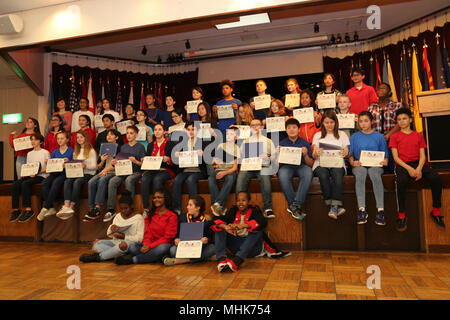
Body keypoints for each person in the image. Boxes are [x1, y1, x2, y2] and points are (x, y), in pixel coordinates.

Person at [389, 108, 445, 231]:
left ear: (410, 120)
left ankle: (436, 212)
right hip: (403, 165)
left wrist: (419, 169)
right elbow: (396, 158)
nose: (402, 121)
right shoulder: (394, 137)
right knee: (401, 182)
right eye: (399, 119)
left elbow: (423, 156)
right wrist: (409, 169)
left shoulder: (418, 135)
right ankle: (401, 215)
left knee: (436, 178)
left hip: (418, 163)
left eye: (404, 118)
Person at [115, 188, 178, 265]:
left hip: (162, 245)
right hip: (150, 244)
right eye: (154, 198)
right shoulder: (149, 215)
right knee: (132, 247)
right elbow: (148, 234)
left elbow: (167, 238)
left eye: (159, 197)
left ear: (166, 199)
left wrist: (150, 247)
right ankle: (155, 257)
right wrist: (146, 244)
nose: (156, 199)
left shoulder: (172, 216)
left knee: (163, 248)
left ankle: (134, 260)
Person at [79, 191, 145, 263]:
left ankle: (99, 257)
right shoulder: (118, 216)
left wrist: (124, 237)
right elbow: (109, 234)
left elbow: (140, 238)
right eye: (121, 208)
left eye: (126, 208)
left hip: (129, 244)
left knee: (122, 246)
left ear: (131, 206)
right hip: (115, 242)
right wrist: (111, 229)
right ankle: (118, 254)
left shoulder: (139, 218)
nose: (123, 211)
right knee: (96, 243)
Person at [349, 111, 389, 225]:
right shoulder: (354, 137)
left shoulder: (379, 137)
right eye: (361, 121)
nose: (363, 124)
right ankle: (361, 210)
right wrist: (352, 162)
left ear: (371, 121)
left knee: (374, 174)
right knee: (360, 174)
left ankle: (380, 211)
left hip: (375, 165)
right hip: (360, 165)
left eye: (366, 121)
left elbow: (385, 155)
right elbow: (350, 155)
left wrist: (385, 161)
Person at [212, 191, 267, 272]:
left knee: (257, 229)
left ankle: (237, 261)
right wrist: (226, 227)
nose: (240, 203)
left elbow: (263, 222)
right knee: (219, 227)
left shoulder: (255, 210)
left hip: (253, 248)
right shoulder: (233, 211)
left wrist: (243, 225)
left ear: (248, 202)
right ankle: (222, 260)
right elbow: (216, 219)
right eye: (238, 200)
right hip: (237, 246)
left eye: (243, 200)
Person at [311, 110, 350, 219]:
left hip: (337, 163)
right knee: (323, 175)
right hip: (320, 164)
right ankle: (335, 205)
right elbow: (314, 156)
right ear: (322, 123)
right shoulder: (317, 135)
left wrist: (345, 152)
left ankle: (334, 206)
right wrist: (316, 152)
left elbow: (346, 152)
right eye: (326, 122)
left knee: (338, 175)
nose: (329, 125)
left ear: (335, 122)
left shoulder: (342, 135)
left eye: (331, 122)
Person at [235, 118, 276, 219]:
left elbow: (275, 158)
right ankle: (239, 207)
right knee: (241, 178)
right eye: (252, 125)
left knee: (265, 177)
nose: (255, 127)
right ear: (250, 128)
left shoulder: (268, 141)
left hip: (263, 166)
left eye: (257, 125)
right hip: (249, 167)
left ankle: (267, 208)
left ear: (262, 127)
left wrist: (268, 157)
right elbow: (240, 157)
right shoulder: (245, 142)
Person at [105, 125, 146, 222]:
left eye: (131, 133)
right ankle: (111, 209)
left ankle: (130, 208)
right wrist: (114, 162)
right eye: (127, 133)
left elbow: (143, 164)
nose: (129, 135)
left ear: (136, 135)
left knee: (129, 180)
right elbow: (119, 161)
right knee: (112, 181)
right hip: (123, 171)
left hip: (136, 172)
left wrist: (135, 161)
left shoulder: (140, 147)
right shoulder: (123, 147)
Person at [277, 118, 314, 221]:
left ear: (299, 129)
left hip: (302, 166)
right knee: (283, 175)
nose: (292, 130)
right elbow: (277, 165)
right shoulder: (281, 143)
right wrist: (278, 156)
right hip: (286, 166)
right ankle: (294, 207)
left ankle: (295, 205)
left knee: (308, 173)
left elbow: (310, 164)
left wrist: (306, 155)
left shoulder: (305, 143)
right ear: (286, 130)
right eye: (289, 128)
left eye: (294, 127)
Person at [163, 195, 215, 266]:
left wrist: (206, 239)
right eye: (188, 205)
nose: (187, 207)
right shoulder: (182, 218)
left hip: (198, 248)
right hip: (185, 247)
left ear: (198, 208)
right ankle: (204, 258)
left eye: (190, 205)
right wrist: (176, 240)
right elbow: (176, 234)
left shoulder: (206, 220)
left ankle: (182, 260)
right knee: (172, 250)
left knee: (212, 248)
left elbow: (210, 237)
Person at [56, 130, 97, 220]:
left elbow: (94, 166)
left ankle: (72, 206)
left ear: (85, 138)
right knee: (67, 181)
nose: (79, 139)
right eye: (77, 137)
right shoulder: (76, 151)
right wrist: (67, 164)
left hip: (88, 174)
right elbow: (74, 165)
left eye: (81, 137)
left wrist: (86, 166)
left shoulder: (91, 150)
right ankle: (66, 205)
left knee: (77, 182)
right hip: (78, 173)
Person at [171, 122, 209, 215]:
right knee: (176, 180)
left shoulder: (203, 142)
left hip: (198, 171)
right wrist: (176, 155)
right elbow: (176, 161)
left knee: (191, 180)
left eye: (193, 129)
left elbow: (209, 159)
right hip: (185, 170)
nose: (191, 132)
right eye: (188, 130)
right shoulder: (182, 143)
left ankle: (194, 208)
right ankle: (177, 209)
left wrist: (204, 154)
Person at [10, 134, 50, 223]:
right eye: (31, 140)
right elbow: (29, 167)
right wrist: (25, 173)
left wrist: (38, 172)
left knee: (25, 184)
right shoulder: (29, 153)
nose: (33, 142)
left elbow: (48, 168)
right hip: (31, 175)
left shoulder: (45, 152)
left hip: (41, 176)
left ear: (40, 142)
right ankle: (16, 210)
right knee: (16, 184)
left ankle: (28, 210)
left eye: (35, 140)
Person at [84, 129, 122, 222]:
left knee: (102, 180)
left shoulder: (120, 148)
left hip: (113, 172)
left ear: (116, 137)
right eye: (107, 135)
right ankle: (92, 208)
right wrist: (102, 160)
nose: (109, 136)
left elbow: (121, 165)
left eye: (111, 135)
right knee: (91, 182)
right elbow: (99, 167)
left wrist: (107, 169)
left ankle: (98, 208)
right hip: (104, 171)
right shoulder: (104, 148)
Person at [367, 82, 403, 173]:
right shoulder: (371, 107)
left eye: (383, 88)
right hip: (376, 140)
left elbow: (400, 123)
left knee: (391, 164)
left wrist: (388, 136)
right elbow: (368, 125)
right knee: (378, 166)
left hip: (393, 139)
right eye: (379, 88)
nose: (380, 90)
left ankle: (392, 182)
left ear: (389, 92)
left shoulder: (397, 105)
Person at [38, 131, 74, 221]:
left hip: (65, 173)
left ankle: (45, 208)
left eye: (62, 138)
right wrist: (49, 162)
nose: (60, 140)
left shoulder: (71, 151)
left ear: (67, 139)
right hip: (54, 173)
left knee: (56, 183)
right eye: (58, 138)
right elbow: (51, 167)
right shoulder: (54, 152)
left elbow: (75, 165)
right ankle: (50, 208)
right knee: (45, 183)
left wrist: (68, 162)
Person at [141, 123, 175, 216]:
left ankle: (159, 207)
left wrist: (169, 159)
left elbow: (175, 160)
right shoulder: (150, 145)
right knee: (144, 179)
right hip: (152, 169)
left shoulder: (170, 144)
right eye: (155, 130)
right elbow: (148, 159)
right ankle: (146, 208)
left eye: (160, 129)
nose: (157, 131)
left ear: (164, 132)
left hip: (165, 169)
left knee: (157, 179)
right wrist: (144, 160)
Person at [208, 126, 240, 217]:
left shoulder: (237, 148)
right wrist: (215, 162)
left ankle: (217, 203)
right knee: (211, 178)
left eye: (231, 134)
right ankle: (218, 206)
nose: (228, 135)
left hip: (230, 170)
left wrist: (224, 173)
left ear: (236, 137)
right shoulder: (221, 146)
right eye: (227, 134)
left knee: (230, 178)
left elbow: (235, 168)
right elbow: (215, 163)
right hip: (219, 168)